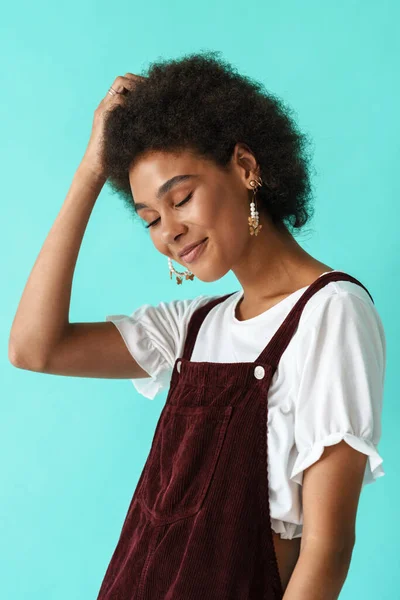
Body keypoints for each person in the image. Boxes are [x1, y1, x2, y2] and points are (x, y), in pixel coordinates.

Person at [9, 52, 386, 599]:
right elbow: (33, 348)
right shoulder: (193, 326)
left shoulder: (332, 311)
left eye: (180, 198)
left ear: (245, 166)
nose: (170, 233)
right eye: (150, 220)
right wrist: (91, 170)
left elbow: (327, 551)